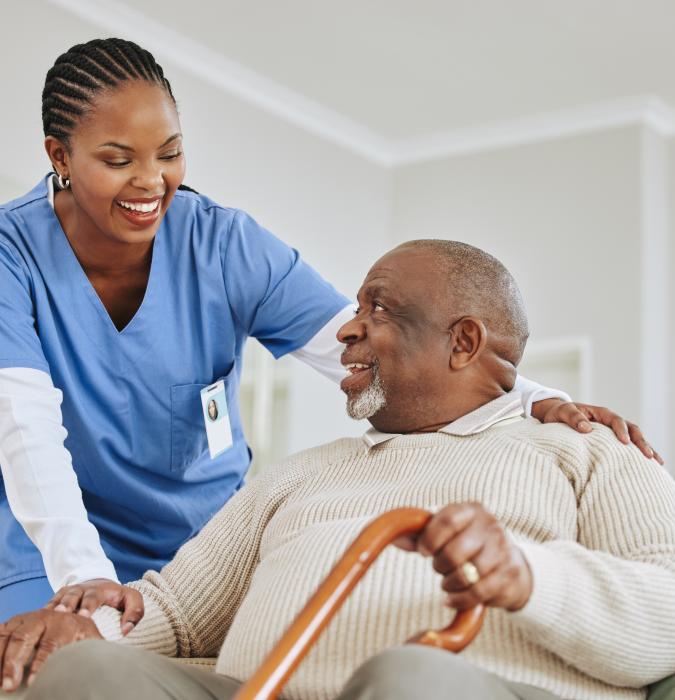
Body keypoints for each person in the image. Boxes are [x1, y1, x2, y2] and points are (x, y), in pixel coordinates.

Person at [0, 38, 658, 626]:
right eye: (118, 160)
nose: (152, 182)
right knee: (52, 664)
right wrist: (81, 578)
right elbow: (25, 428)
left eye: (169, 154)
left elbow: (365, 344)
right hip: (50, 538)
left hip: (199, 545)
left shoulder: (223, 246)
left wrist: (526, 394)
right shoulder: (12, 253)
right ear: (60, 154)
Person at [1, 239, 673, 700]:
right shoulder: (298, 475)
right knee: (86, 670)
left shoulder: (586, 450)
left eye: (377, 309)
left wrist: (530, 577)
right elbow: (175, 614)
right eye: (354, 309)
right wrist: (77, 629)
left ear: (463, 342)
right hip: (261, 689)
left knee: (416, 677)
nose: (346, 331)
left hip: (459, 689)